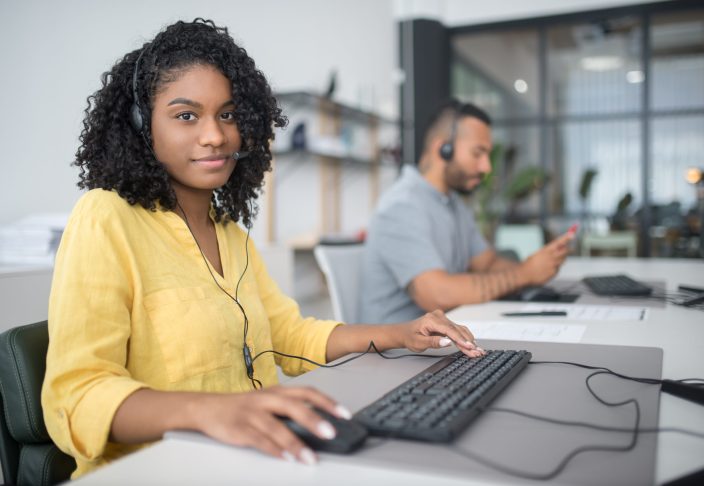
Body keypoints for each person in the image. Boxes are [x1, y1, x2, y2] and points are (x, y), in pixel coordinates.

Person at [40, 20, 485, 478]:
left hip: (249, 460)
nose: (215, 135)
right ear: (141, 125)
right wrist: (212, 411)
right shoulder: (106, 218)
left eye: (228, 115)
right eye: (186, 115)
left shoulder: (231, 234)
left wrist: (399, 335)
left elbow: (288, 337)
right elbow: (77, 396)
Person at [358, 100, 574, 323]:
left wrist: (539, 265)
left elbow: (487, 264)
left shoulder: (452, 204)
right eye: (478, 153)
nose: (486, 167)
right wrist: (524, 274)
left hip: (444, 337)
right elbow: (437, 295)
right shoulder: (401, 206)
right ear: (443, 149)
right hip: (395, 354)